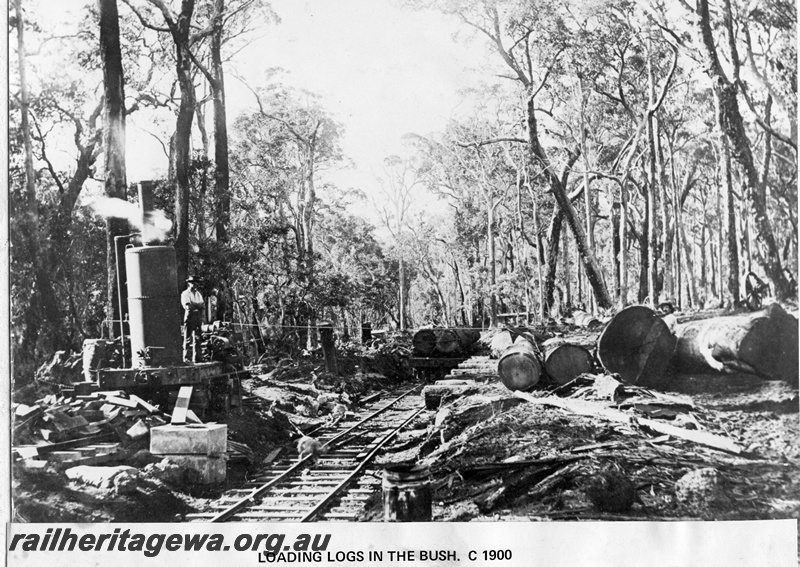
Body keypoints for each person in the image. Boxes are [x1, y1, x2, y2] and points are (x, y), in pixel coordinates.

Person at [181, 275, 204, 363]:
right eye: (193, 283)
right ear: (189, 284)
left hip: (197, 317)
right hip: (189, 317)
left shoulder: (198, 294)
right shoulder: (185, 294)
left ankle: (197, 358)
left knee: (197, 338)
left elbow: (202, 305)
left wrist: (194, 305)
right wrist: (196, 306)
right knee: (187, 338)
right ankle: (186, 358)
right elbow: (188, 306)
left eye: (196, 283)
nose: (194, 285)